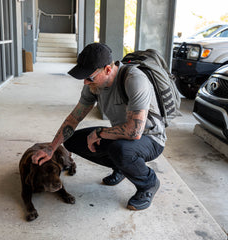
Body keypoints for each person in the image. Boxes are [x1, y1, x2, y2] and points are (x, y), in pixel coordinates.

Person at [32, 43, 166, 210]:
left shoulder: (134, 79)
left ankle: (148, 184)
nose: (86, 82)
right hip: (124, 136)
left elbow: (135, 131)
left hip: (150, 138)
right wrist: (51, 148)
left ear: (108, 70)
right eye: (84, 78)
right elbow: (74, 118)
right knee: (72, 141)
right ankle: (121, 168)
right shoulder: (94, 86)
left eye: (89, 77)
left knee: (121, 150)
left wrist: (100, 132)